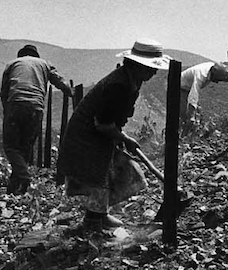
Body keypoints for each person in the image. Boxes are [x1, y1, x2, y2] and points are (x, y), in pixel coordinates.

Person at [56, 39, 171, 229]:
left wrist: (120, 137)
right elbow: (102, 123)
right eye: (151, 67)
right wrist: (124, 138)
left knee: (113, 172)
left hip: (99, 133)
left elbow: (112, 119)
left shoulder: (131, 80)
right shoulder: (119, 85)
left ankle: (98, 215)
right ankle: (94, 221)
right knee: (99, 175)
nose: (154, 71)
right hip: (87, 135)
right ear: (137, 65)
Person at [0, 44, 72, 194]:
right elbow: (61, 82)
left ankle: (24, 177)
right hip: (36, 108)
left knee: (11, 147)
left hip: (16, 104)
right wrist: (70, 93)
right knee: (25, 147)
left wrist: (7, 113)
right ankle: (15, 189)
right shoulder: (45, 64)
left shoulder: (12, 64)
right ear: (35, 55)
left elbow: (3, 93)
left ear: (22, 55)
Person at [179, 61, 228, 132]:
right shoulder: (201, 75)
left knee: (197, 116)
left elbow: (218, 73)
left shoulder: (212, 68)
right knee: (186, 117)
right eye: (217, 79)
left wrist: (225, 78)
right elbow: (193, 95)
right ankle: (181, 137)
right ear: (213, 75)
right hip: (179, 87)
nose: (216, 82)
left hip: (188, 88)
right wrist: (191, 115)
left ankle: (189, 135)